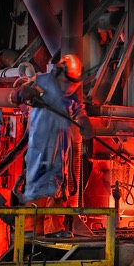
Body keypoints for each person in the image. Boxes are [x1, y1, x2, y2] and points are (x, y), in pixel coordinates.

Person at [9, 54, 94, 239]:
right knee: (39, 186)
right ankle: (31, 231)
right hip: (41, 144)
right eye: (68, 80)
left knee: (59, 187)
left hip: (61, 146)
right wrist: (23, 93)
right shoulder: (40, 82)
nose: (70, 85)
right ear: (58, 73)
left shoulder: (71, 93)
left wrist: (84, 120)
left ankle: (54, 229)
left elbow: (78, 110)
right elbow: (14, 97)